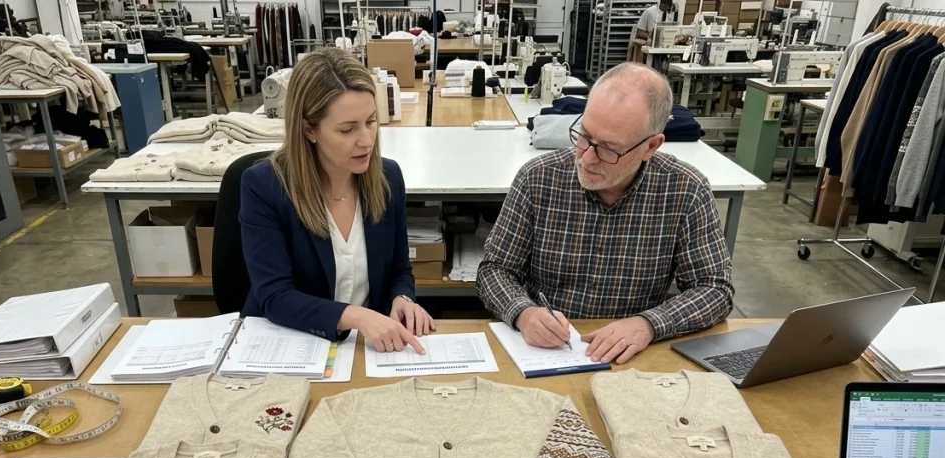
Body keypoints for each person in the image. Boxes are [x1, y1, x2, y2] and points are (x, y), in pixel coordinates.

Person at [476, 63, 732, 365]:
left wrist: (648, 324)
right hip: (546, 353)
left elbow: (715, 289)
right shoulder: (538, 178)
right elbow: (494, 269)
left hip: (633, 355)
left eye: (609, 149)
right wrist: (523, 312)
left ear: (651, 146)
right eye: (584, 135)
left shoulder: (685, 190)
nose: (586, 158)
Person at [240, 48, 434, 353]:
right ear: (308, 129)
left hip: (364, 349)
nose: (366, 141)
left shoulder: (388, 178)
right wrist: (355, 316)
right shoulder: (265, 186)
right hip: (290, 344)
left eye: (370, 122)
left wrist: (402, 298)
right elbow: (275, 296)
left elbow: (399, 269)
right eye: (348, 129)